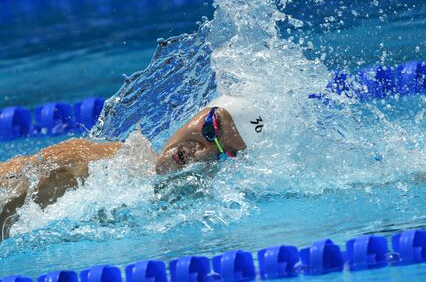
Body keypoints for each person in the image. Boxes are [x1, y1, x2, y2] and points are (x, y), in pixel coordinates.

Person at [0, 95, 266, 240]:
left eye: (222, 153)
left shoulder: (193, 210)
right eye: (211, 129)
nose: (203, 151)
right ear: (198, 113)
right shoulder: (100, 164)